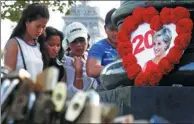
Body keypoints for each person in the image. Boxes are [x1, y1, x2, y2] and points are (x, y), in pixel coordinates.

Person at [4, 3, 49, 81]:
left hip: (36, 92)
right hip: (20, 92)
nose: (40, 31)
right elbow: (8, 78)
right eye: (38, 26)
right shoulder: (14, 44)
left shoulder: (39, 45)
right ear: (27, 22)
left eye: (43, 27)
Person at [64, 22, 98, 98]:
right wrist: (78, 71)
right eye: (74, 41)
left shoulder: (92, 57)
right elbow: (73, 95)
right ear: (68, 43)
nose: (78, 44)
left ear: (88, 40)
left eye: (81, 40)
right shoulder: (65, 63)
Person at [86, 8, 119, 80]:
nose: (115, 33)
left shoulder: (132, 44)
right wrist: (121, 69)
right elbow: (91, 70)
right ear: (105, 28)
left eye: (118, 29)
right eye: (112, 29)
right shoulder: (98, 47)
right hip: (106, 90)